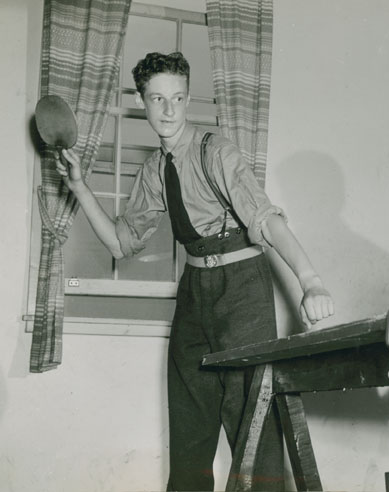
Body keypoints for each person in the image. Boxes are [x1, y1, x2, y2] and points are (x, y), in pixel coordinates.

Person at [55, 52, 334, 492]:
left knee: (253, 429)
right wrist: (78, 187)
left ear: (188, 100)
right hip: (194, 293)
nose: (168, 110)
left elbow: (266, 220)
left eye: (178, 98)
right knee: (188, 429)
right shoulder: (152, 171)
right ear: (143, 102)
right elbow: (120, 242)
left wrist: (311, 280)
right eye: (157, 99)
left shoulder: (215, 151)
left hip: (242, 291)